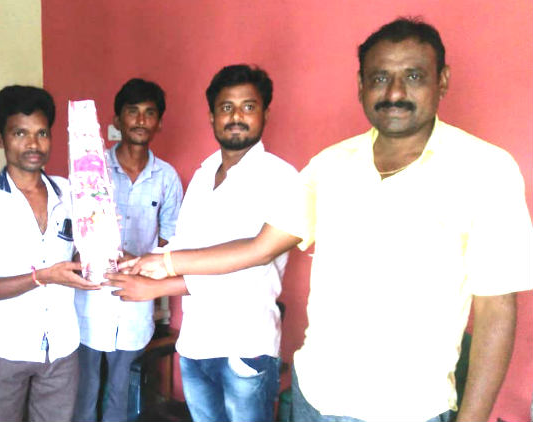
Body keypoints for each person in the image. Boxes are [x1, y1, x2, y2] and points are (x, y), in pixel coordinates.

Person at [115, 18, 533, 422]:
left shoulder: (486, 170)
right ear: (361, 86)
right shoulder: (330, 165)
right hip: (316, 395)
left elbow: (497, 309)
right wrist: (160, 263)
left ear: (442, 80)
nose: (395, 92)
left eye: (414, 76)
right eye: (380, 78)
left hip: (407, 407)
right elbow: (259, 247)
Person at [109, 64, 304, 422]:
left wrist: (161, 272)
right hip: (196, 344)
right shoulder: (203, 175)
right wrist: (137, 264)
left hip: (244, 346)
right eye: (226, 107)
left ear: (265, 113)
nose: (236, 117)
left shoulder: (281, 177)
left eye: (248, 106)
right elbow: (186, 249)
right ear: (213, 116)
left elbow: (249, 261)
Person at [0, 85, 99, 422]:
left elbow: (84, 257)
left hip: (63, 344)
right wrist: (44, 277)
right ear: (0, 138)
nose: (33, 144)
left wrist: (102, 239)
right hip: (9, 345)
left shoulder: (71, 192)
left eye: (42, 133)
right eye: (20, 133)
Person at [73, 78, 183, 422]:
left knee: (121, 387)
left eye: (149, 113)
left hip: (136, 298)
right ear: (117, 119)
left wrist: (142, 263)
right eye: (132, 111)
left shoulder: (167, 178)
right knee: (86, 385)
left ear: (159, 123)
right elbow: (75, 230)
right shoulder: (91, 169)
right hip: (92, 295)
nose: (140, 120)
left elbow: (171, 240)